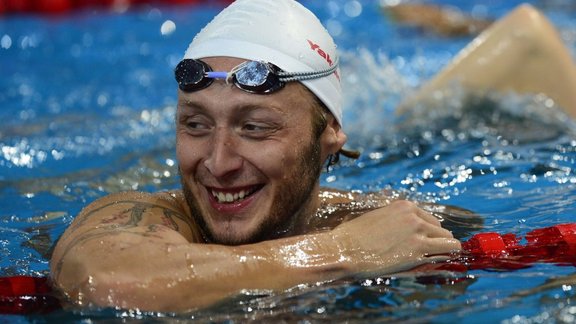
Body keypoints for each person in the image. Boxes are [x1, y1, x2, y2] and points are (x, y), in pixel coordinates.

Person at [50, 0, 574, 313]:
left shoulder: (384, 220)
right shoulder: (144, 219)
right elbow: (105, 281)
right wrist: (342, 254)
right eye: (195, 124)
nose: (217, 162)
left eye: (255, 128)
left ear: (331, 134)